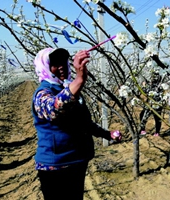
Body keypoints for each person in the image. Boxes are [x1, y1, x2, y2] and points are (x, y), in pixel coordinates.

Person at [31, 47, 122, 200]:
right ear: (45, 66)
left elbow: (84, 123)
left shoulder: (68, 88)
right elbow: (53, 109)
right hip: (56, 166)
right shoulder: (42, 93)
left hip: (77, 160)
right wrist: (80, 79)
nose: (61, 66)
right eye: (54, 63)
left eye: (63, 62)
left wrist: (107, 134)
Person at [139, 72, 163, 136]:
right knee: (156, 119)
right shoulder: (158, 85)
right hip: (153, 105)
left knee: (145, 117)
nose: (151, 79)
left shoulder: (157, 86)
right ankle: (156, 132)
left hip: (153, 105)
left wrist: (144, 86)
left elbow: (146, 92)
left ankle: (144, 130)